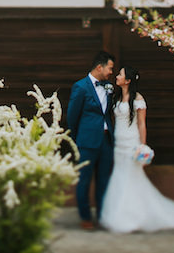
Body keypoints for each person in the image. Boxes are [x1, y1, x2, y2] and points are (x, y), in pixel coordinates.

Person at [99, 65, 174, 233]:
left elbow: (141, 123)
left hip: (132, 142)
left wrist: (142, 145)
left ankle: (133, 215)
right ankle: (122, 212)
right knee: (119, 175)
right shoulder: (116, 97)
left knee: (132, 178)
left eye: (120, 74)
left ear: (128, 80)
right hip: (118, 143)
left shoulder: (138, 98)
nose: (117, 76)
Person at [66, 50, 115, 231]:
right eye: (110, 68)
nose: (111, 72)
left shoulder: (109, 86)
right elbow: (72, 116)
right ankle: (85, 217)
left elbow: (108, 112)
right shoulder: (80, 87)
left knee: (104, 180)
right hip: (86, 142)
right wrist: (77, 139)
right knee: (84, 180)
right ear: (99, 67)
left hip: (106, 141)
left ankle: (102, 216)